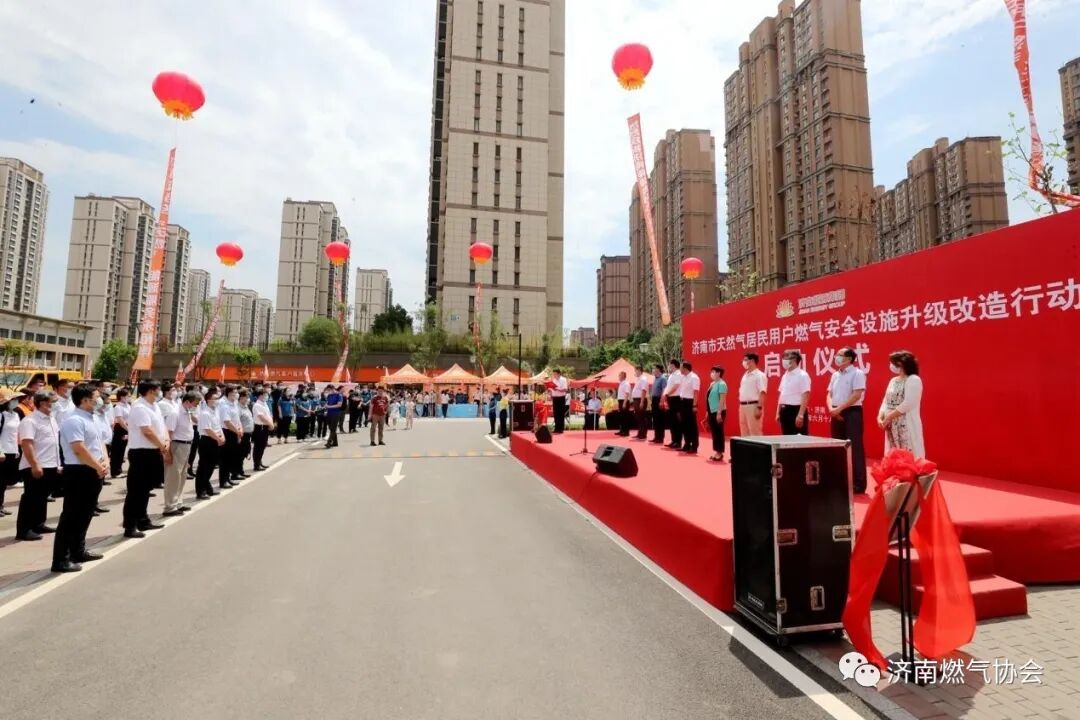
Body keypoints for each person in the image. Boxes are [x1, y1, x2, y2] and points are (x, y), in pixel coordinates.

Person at [51, 384, 108, 572]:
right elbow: (79, 449)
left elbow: (99, 442)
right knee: (71, 515)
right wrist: (98, 466)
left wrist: (105, 462)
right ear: (84, 400)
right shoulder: (74, 420)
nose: (99, 400)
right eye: (96, 397)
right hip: (79, 472)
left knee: (85, 513)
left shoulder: (93, 418)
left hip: (94, 470)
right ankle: (61, 559)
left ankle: (78, 550)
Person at [124, 380, 168, 539]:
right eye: (158, 390)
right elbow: (147, 431)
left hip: (153, 451)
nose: (159, 393)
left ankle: (143, 520)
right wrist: (162, 445)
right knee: (136, 491)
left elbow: (161, 426)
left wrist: (165, 441)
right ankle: (130, 526)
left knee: (145, 490)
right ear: (150, 391)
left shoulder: (154, 406)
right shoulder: (139, 407)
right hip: (141, 453)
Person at [15, 391, 59, 541]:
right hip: (36, 464)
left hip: (50, 463)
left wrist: (58, 464)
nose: (55, 405)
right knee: (31, 497)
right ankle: (24, 530)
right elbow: (26, 444)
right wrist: (35, 464)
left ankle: (38, 524)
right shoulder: (30, 421)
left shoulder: (51, 419)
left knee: (42, 496)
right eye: (53, 402)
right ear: (43, 403)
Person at [827, 347, 868, 494]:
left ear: (849, 359)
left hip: (852, 412)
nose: (836, 357)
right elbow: (829, 394)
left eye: (840, 355)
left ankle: (859, 483)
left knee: (854, 447)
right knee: (838, 447)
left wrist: (840, 409)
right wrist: (831, 408)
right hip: (835, 412)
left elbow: (857, 395)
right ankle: (841, 480)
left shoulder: (857, 373)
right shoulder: (835, 375)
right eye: (836, 354)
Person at [878, 350, 925, 459]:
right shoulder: (893, 380)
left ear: (901, 364)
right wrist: (880, 416)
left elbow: (908, 403)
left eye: (893, 363)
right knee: (893, 454)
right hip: (891, 424)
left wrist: (889, 417)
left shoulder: (914, 379)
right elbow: (886, 400)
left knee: (909, 454)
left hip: (906, 423)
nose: (891, 366)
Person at [162, 391, 198, 517]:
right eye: (195, 403)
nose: (196, 406)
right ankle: (169, 506)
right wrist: (167, 453)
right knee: (173, 476)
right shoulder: (175, 413)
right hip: (177, 445)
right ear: (187, 402)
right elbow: (169, 433)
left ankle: (178, 502)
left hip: (186, 445)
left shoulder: (187, 412)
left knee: (182, 476)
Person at [195, 389, 226, 499]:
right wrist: (218, 438)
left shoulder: (215, 411)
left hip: (215, 440)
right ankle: (200, 491)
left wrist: (222, 437)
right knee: (204, 467)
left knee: (211, 466)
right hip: (207, 441)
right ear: (208, 400)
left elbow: (218, 426)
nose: (217, 400)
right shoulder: (205, 413)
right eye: (215, 399)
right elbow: (207, 429)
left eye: (218, 398)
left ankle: (207, 487)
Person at [776, 350, 811, 436]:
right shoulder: (785, 376)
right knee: (786, 438)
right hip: (784, 410)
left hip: (796, 410)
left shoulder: (802, 375)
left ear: (794, 359)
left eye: (786, 358)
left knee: (799, 439)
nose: (783, 361)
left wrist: (801, 415)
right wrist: (778, 412)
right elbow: (782, 395)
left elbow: (805, 395)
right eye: (783, 358)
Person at [0, 388, 21, 517]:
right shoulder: (1, 415)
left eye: (16, 399)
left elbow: (15, 434)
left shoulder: (16, 414)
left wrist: (17, 449)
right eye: (12, 399)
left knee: (4, 482)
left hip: (12, 451)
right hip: (2, 452)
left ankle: (1, 505)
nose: (15, 401)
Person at [217, 385, 243, 487]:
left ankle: (227, 478)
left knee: (231, 457)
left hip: (234, 431)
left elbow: (237, 418)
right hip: (227, 431)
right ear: (228, 393)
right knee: (225, 458)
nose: (236, 394)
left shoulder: (234, 403)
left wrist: (239, 429)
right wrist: (237, 431)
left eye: (236, 392)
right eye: (234, 392)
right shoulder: (223, 404)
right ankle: (223, 481)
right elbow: (227, 422)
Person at [738, 353, 767, 437]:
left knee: (755, 433)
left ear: (752, 361)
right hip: (742, 406)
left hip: (753, 406)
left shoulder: (759, 375)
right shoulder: (745, 375)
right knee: (744, 433)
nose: (743, 362)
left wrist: (759, 407)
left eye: (745, 360)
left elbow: (762, 392)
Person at [678, 361, 701, 454]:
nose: (680, 369)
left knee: (692, 425)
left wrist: (694, 405)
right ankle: (687, 444)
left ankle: (694, 446)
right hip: (682, 401)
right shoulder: (683, 377)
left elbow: (696, 392)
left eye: (681, 367)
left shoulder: (694, 377)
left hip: (690, 402)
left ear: (685, 368)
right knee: (684, 424)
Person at [706, 366, 728, 461]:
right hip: (711, 411)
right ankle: (716, 451)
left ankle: (720, 452)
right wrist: (707, 412)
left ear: (719, 373)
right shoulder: (712, 384)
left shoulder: (722, 384)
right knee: (714, 432)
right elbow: (709, 398)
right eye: (711, 372)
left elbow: (722, 399)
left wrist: (719, 413)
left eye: (714, 372)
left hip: (719, 411)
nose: (712, 374)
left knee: (719, 432)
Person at [663, 359, 684, 449]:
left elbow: (676, 386)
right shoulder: (671, 375)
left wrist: (667, 394)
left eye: (670, 365)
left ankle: (678, 442)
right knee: (672, 421)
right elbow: (668, 387)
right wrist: (666, 395)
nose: (669, 367)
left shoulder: (678, 374)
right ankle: (673, 440)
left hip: (676, 399)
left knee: (676, 421)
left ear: (674, 365)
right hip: (670, 398)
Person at [110, 387, 130, 478]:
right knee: (117, 450)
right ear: (122, 396)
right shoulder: (118, 407)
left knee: (122, 450)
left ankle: (119, 469)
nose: (128, 397)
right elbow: (120, 420)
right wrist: (128, 430)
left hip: (127, 427)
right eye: (127, 396)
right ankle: (115, 471)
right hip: (121, 429)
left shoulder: (128, 405)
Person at [252, 388, 273, 471]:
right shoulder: (257, 405)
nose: (266, 396)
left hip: (265, 427)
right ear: (260, 396)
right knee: (258, 446)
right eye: (265, 395)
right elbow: (261, 417)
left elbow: (268, 415)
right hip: (260, 427)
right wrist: (270, 424)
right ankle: (256, 464)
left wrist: (270, 423)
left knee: (263, 446)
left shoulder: (264, 404)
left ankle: (259, 461)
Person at [649, 364, 667, 444]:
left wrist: (661, 401)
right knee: (655, 419)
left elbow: (664, 390)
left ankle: (660, 438)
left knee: (660, 419)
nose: (654, 370)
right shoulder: (655, 379)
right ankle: (656, 436)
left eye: (655, 369)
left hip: (659, 399)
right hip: (654, 400)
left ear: (659, 370)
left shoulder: (663, 378)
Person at [238, 389, 254, 473]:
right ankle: (238, 471)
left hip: (248, 433)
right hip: (242, 434)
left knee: (245, 452)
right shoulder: (238, 408)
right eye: (246, 398)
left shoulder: (246, 407)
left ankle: (240, 470)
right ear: (241, 398)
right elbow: (237, 422)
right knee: (240, 453)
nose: (248, 399)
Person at [631, 366, 650, 440]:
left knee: (642, 417)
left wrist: (641, 402)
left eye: (636, 370)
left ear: (639, 371)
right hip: (636, 399)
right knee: (638, 417)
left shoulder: (643, 379)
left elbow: (643, 390)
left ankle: (643, 434)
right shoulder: (638, 379)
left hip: (640, 399)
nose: (635, 372)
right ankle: (639, 433)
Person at [550, 369, 569, 434]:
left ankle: (561, 429)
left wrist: (558, 389)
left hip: (561, 398)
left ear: (559, 374)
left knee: (561, 413)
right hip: (555, 398)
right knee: (555, 413)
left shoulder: (563, 379)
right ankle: (556, 428)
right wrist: (550, 391)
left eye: (555, 374)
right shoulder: (553, 380)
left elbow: (565, 389)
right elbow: (551, 389)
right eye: (553, 374)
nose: (554, 375)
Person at [324, 384, 343, 448]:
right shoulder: (329, 395)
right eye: (327, 390)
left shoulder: (339, 395)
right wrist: (326, 409)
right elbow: (327, 403)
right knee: (331, 428)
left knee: (333, 428)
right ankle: (335, 443)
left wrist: (329, 406)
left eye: (329, 390)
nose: (328, 391)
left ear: (333, 389)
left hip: (336, 413)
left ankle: (329, 442)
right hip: (329, 413)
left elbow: (339, 405)